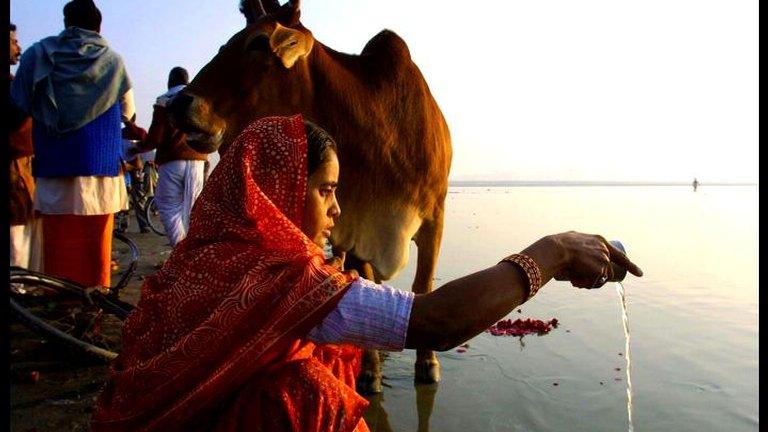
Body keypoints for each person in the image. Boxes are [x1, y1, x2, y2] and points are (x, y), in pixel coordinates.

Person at [91, 115, 642, 431]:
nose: (336, 211)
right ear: (273, 194)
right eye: (326, 191)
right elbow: (435, 322)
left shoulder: (199, 257)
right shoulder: (278, 279)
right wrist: (553, 251)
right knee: (304, 393)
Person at [11, 0, 134, 289]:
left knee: (58, 242)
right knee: (95, 244)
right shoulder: (114, 61)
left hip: (54, 163)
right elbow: (127, 113)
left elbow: (19, 104)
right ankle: (94, 301)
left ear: (66, 23)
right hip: (101, 170)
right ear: (98, 26)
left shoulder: (37, 55)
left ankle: (60, 300)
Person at [135, 66, 208, 246]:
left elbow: (155, 137)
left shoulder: (164, 101)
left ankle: (180, 251)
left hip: (172, 160)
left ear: (170, 82)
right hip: (198, 159)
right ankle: (194, 254)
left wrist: (141, 147)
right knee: (192, 210)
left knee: (167, 205)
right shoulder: (200, 97)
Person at [9, 22, 42, 271]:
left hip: (22, 167)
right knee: (17, 233)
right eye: (13, 41)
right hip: (14, 168)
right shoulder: (14, 87)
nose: (18, 47)